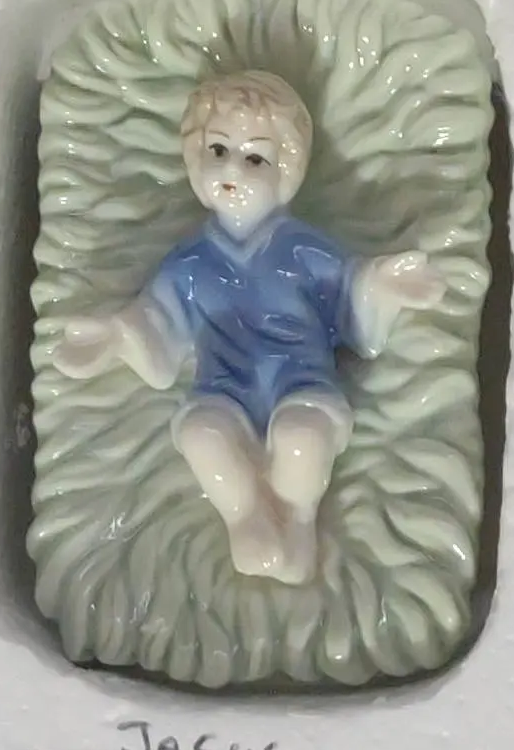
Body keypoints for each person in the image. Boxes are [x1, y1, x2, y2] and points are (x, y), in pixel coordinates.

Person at [52, 72, 442, 586]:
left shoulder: (301, 248)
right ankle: (246, 517)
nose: (231, 169)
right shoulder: (191, 262)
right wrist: (116, 336)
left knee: (301, 439)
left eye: (255, 158)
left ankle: (297, 521)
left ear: (288, 171)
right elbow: (157, 318)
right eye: (217, 150)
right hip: (223, 390)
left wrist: (382, 285)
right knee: (201, 435)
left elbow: (350, 297)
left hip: (301, 384)